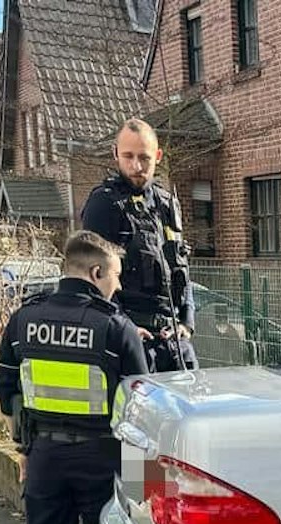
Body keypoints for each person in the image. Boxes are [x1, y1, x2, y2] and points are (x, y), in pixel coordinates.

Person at [0, 232, 146, 524]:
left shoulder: (24, 320)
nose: (117, 286)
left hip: (44, 457)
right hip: (103, 458)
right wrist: (146, 486)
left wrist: (25, 449)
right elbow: (140, 407)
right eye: (115, 276)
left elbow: (7, 393)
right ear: (96, 273)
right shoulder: (114, 327)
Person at [79, 118, 196, 372]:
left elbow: (182, 268)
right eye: (128, 156)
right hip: (132, 340)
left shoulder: (167, 205)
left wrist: (187, 321)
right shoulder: (104, 205)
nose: (136, 166)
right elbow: (92, 279)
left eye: (144, 158)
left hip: (175, 340)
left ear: (158, 156)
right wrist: (123, 327)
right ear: (115, 155)